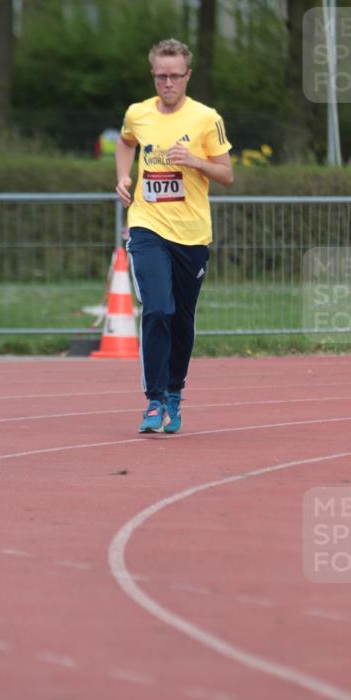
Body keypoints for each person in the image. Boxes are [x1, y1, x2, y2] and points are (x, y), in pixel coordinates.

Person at [115, 38, 233, 434]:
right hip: (148, 225)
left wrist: (195, 160)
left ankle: (174, 393)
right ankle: (152, 400)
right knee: (157, 308)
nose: (167, 83)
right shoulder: (138, 113)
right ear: (153, 75)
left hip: (192, 234)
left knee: (181, 318)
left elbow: (227, 174)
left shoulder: (206, 119)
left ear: (188, 76)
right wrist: (122, 176)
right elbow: (125, 141)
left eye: (175, 76)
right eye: (161, 76)